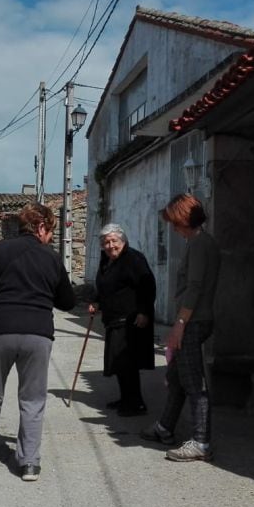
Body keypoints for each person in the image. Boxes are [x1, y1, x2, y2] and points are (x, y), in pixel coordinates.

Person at [0, 203, 76, 482]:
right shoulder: (51, 258)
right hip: (37, 334)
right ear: (41, 227)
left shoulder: (1, 249)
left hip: (0, 329)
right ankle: (28, 463)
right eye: (50, 231)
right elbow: (67, 301)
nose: (50, 236)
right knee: (32, 399)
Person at [141, 193, 220, 462]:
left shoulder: (200, 244)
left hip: (194, 321)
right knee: (176, 378)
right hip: (193, 320)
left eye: (175, 222)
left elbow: (194, 288)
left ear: (184, 220)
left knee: (193, 383)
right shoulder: (197, 242)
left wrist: (180, 325)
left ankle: (201, 442)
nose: (173, 228)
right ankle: (164, 427)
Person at [89, 224, 156, 417]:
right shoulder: (107, 261)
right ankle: (126, 398)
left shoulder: (133, 259)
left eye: (114, 241)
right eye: (106, 243)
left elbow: (148, 286)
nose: (110, 246)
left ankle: (136, 403)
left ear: (123, 241)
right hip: (114, 319)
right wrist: (97, 302)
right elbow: (105, 288)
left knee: (127, 363)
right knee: (119, 363)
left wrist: (144, 312)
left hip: (131, 320)